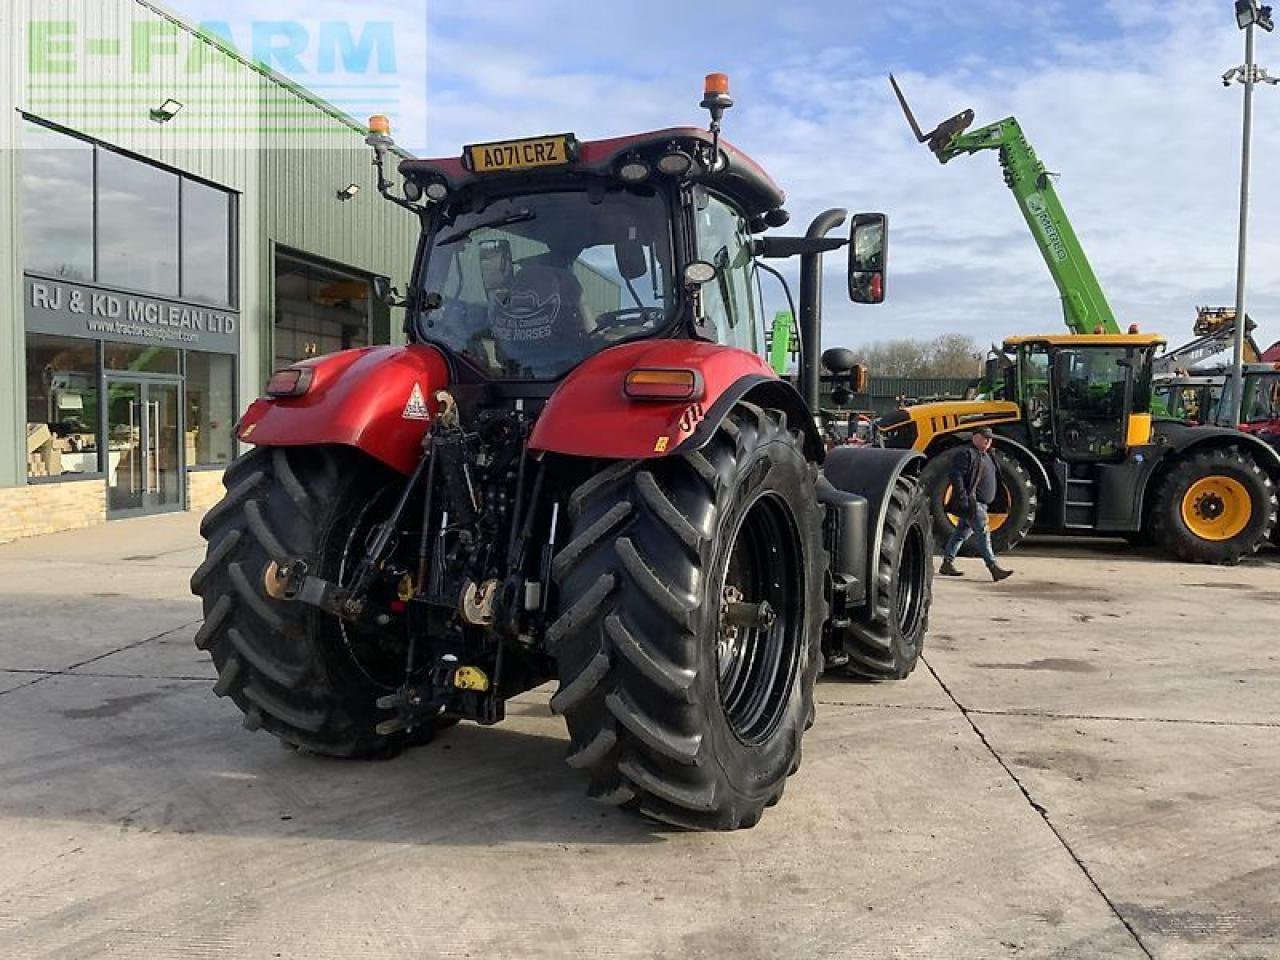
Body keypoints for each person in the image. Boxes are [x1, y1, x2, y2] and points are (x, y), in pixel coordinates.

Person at [939, 428, 1014, 582]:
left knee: (961, 533)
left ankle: (947, 562)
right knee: (983, 533)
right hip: (974, 504)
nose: (988, 441)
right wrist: (963, 498)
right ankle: (993, 568)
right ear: (975, 438)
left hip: (983, 504)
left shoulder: (988, 456)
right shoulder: (967, 454)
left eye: (990, 439)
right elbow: (956, 476)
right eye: (984, 438)